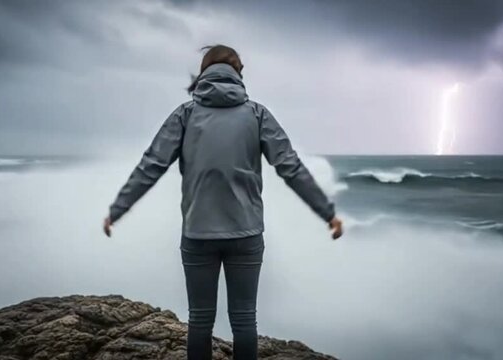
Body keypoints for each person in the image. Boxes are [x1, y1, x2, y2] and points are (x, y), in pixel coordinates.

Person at [103, 44, 343, 360]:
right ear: (238, 74)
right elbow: (290, 166)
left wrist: (117, 210)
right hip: (246, 233)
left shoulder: (185, 115)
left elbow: (152, 164)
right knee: (244, 319)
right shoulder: (257, 114)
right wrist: (327, 213)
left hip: (198, 234)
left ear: (203, 73)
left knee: (200, 320)